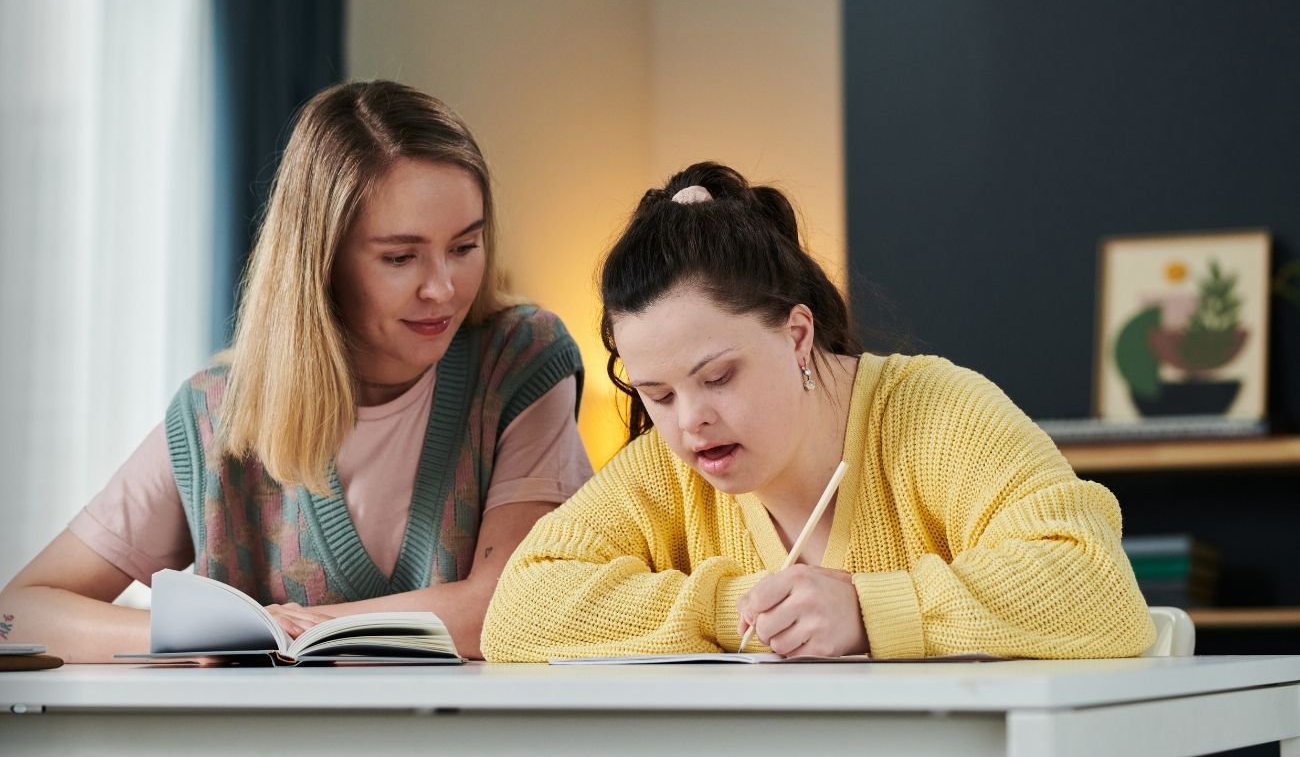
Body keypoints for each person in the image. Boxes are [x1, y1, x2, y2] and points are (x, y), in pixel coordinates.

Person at [0, 80, 591, 661]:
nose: (443, 288)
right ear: (322, 262)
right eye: (400, 257)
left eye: (465, 247)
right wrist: (200, 633)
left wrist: (282, 630)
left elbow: (507, 605)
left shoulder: (520, 358)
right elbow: (19, 611)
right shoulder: (216, 416)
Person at [481, 161, 1154, 661]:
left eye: (717, 377)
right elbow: (519, 610)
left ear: (797, 335)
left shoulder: (937, 415)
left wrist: (869, 611)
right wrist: (730, 608)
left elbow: (1096, 584)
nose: (689, 423)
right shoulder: (672, 468)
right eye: (658, 395)